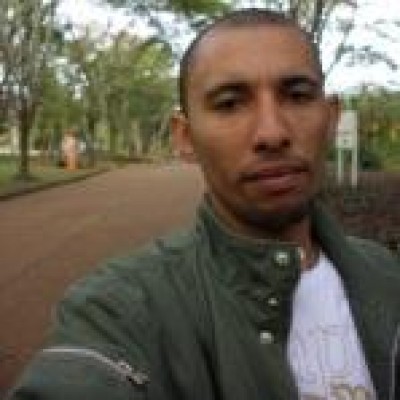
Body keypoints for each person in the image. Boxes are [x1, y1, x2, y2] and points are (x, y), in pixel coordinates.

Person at [7, 8, 400, 400]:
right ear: (185, 137)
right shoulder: (121, 309)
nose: (272, 132)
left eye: (297, 96)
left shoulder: (385, 274)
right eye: (230, 104)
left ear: (330, 118)